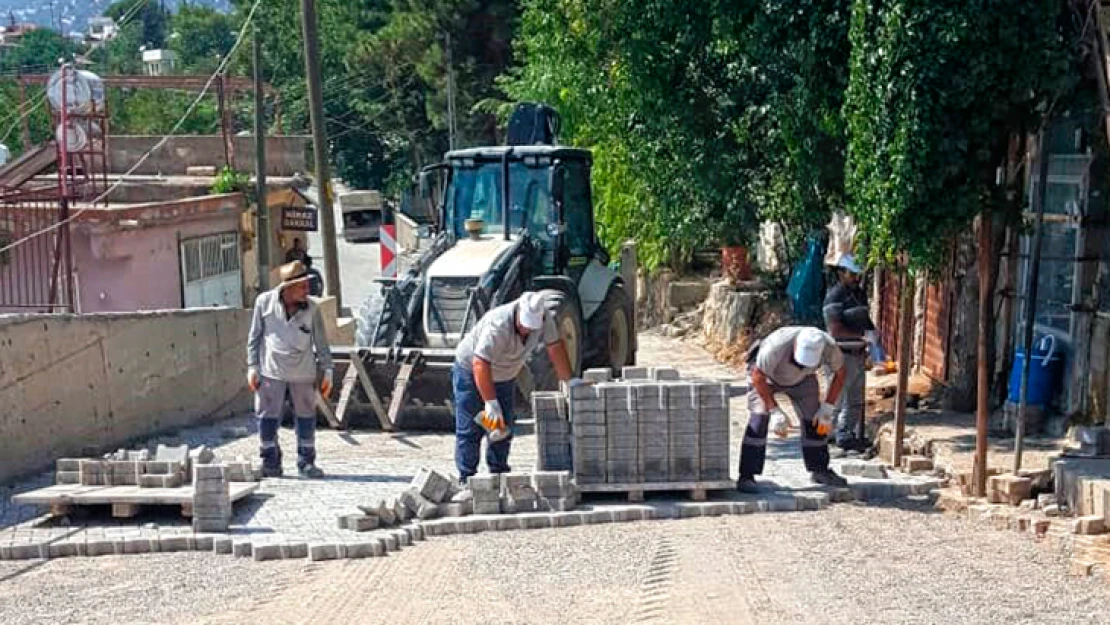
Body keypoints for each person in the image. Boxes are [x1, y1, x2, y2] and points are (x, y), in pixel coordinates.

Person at [452, 291, 577, 482]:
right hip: (471, 371)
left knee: (502, 428)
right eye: (524, 326)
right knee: (471, 428)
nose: (527, 331)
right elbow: (480, 363)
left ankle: (499, 475)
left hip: (505, 375)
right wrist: (490, 403)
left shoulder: (545, 318)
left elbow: (554, 347)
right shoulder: (499, 323)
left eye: (531, 327)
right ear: (519, 312)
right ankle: (467, 478)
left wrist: (569, 382)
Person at [247, 261, 334, 479]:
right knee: (267, 416)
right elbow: (254, 338)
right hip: (271, 371)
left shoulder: (312, 310)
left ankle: (306, 462)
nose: (307, 290)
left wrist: (328, 371)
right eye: (302, 286)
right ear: (288, 288)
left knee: (306, 415)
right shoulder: (264, 303)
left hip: (302, 372)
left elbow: (322, 344)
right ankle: (270, 461)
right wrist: (252, 367)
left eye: (307, 285)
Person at [737, 326, 849, 492]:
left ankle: (820, 470)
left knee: (816, 420)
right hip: (766, 378)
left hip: (803, 380)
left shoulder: (828, 346)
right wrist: (774, 410)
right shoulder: (776, 346)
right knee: (759, 418)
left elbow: (840, 373)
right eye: (798, 361)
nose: (800, 364)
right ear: (795, 346)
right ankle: (747, 476)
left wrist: (828, 407)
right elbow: (758, 376)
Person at [822, 254, 884, 453]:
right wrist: (863, 335)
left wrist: (873, 336)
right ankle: (825, 434)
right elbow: (835, 330)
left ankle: (846, 435)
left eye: (858, 274)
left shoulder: (859, 294)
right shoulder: (834, 296)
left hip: (858, 353)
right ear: (841, 273)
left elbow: (864, 319)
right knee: (837, 397)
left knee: (855, 398)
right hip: (840, 354)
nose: (856, 278)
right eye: (852, 274)